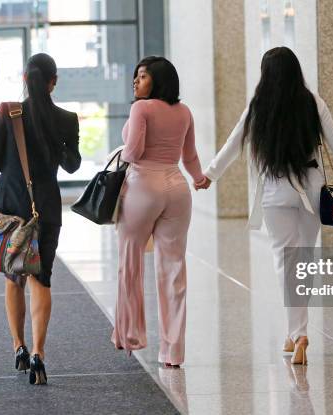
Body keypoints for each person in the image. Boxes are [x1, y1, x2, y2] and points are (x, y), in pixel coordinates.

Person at [195, 47, 333, 365]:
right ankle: (296, 332)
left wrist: (210, 174)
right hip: (313, 190)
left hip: (276, 190)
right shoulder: (313, 102)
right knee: (303, 261)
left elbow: (235, 142)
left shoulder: (259, 106)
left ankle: (297, 333)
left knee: (286, 261)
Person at [0, 53, 81, 384]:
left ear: (25, 78)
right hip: (46, 210)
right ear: (53, 81)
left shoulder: (8, 113)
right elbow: (72, 165)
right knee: (42, 278)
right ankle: (39, 353)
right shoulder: (67, 118)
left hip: (10, 208)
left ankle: (19, 347)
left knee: (14, 278)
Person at [112, 56, 207, 368]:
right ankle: (173, 352)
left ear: (158, 80)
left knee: (131, 261)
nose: (136, 82)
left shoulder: (142, 108)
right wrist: (199, 178)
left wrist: (118, 154)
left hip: (142, 186)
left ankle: (130, 336)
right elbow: (189, 155)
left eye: (142, 76)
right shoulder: (184, 112)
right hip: (177, 188)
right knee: (174, 271)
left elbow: (135, 151)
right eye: (136, 76)